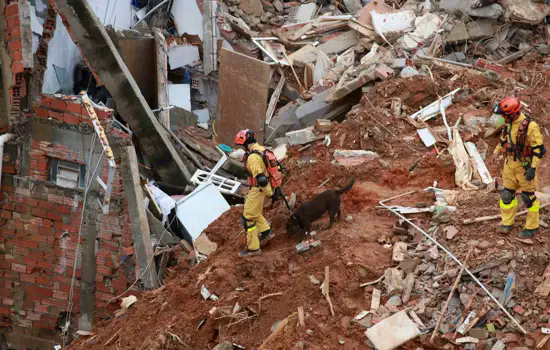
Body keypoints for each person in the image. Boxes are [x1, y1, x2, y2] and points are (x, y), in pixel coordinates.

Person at [491, 97, 545, 237]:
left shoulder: (530, 126)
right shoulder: (508, 124)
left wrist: (533, 168)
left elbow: (539, 149)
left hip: (524, 167)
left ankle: (532, 227)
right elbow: (504, 141)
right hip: (509, 165)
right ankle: (507, 223)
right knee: (506, 195)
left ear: (513, 113)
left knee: (529, 198)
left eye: (505, 115)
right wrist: (496, 152)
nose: (502, 118)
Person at [235, 129, 281, 257]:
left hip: (258, 189)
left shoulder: (252, 158)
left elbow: (260, 178)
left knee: (248, 217)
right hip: (262, 189)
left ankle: (254, 248)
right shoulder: (262, 149)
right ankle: (266, 232)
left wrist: (270, 193)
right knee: (254, 213)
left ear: (245, 143)